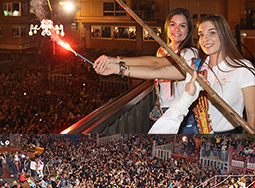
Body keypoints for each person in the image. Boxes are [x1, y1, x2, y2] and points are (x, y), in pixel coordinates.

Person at [95, 14, 255, 133]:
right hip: (200, 136)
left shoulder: (242, 69)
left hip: (229, 136)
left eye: (212, 33)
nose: (205, 39)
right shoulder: (197, 68)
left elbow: (252, 114)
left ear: (224, 35)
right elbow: (160, 68)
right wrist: (118, 68)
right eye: (201, 35)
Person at [94, 8, 198, 133]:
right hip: (165, 110)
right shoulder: (162, 51)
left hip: (184, 113)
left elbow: (157, 66)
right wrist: (157, 104)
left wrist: (118, 65)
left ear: (189, 30)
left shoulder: (190, 53)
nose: (177, 30)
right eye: (173, 24)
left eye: (182, 26)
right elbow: (158, 79)